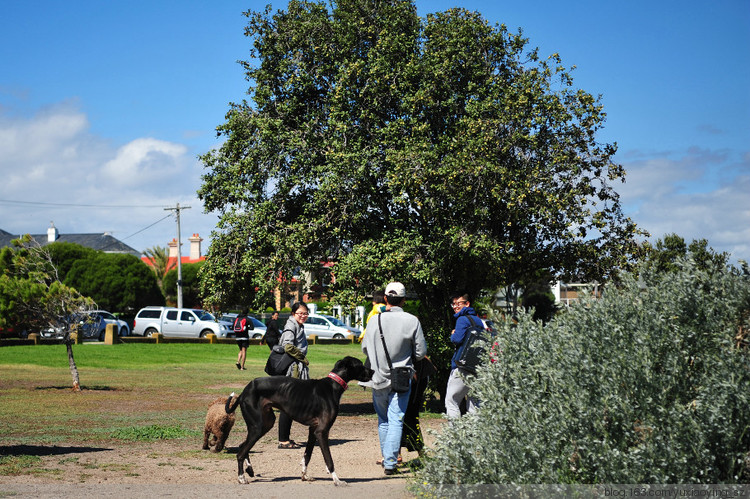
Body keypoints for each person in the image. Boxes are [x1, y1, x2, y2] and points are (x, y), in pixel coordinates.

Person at [361, 281, 427, 475]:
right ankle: (390, 463)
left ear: (386, 299)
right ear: (404, 300)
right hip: (402, 376)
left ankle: (387, 458)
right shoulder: (412, 320)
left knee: (383, 420)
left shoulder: (374, 320)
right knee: (396, 419)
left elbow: (364, 347)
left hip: (378, 376)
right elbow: (421, 352)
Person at [277, 301, 310, 449]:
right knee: (288, 404)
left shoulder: (298, 325)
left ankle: (285, 438)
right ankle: (283, 439)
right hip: (292, 369)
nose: (303, 316)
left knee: (291, 404)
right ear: (293, 314)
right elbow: (287, 345)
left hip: (296, 368)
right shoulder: (291, 326)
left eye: (305, 313)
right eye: (300, 313)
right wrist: (302, 357)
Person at [445, 292, 481, 418]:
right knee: (474, 405)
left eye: (458, 303)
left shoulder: (462, 319)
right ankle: (475, 435)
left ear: (467, 304)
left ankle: (456, 434)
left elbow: (456, 339)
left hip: (462, 367)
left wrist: (453, 334)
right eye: (453, 304)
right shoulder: (479, 321)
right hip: (477, 368)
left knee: (451, 401)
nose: (455, 306)